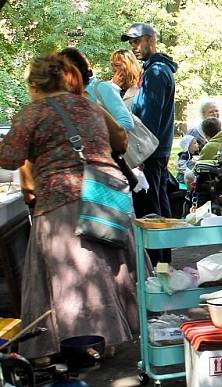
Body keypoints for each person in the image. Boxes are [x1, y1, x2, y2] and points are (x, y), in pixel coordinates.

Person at [0, 55, 138, 358]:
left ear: (34, 85)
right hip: (104, 194)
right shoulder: (89, 104)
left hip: (62, 199)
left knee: (74, 275)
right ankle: (110, 339)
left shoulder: (32, 112)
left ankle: (81, 346)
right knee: (105, 266)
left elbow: (8, 158)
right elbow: (121, 141)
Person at [122, 22, 178, 234]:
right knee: (160, 209)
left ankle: (156, 263)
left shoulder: (155, 72)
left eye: (137, 41)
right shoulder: (156, 69)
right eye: (131, 43)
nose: (133, 47)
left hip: (150, 152)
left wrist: (140, 157)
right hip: (156, 151)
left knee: (151, 214)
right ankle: (163, 263)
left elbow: (149, 121)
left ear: (151, 40)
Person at [59, 47, 134, 132]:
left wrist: (97, 135)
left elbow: (127, 123)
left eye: (64, 71)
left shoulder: (101, 88)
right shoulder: (68, 95)